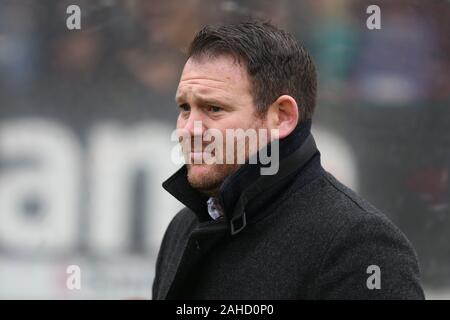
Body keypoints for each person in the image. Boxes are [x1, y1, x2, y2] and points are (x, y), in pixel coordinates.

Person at [152, 21, 424, 299]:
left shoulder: (360, 245)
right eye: (185, 108)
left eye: (214, 108)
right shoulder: (183, 228)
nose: (189, 130)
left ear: (282, 116)